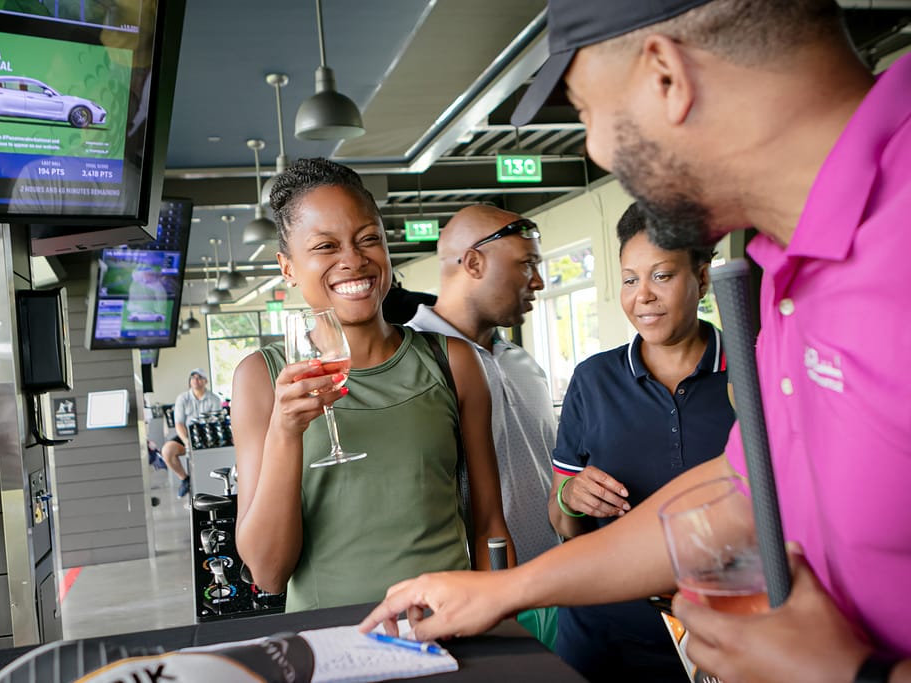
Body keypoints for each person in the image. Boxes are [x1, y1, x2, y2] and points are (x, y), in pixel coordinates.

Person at [360, 1, 911, 681]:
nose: (592, 150)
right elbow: (745, 488)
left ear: (665, 78)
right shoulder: (783, 258)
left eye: (590, 114)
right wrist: (505, 589)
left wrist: (853, 675)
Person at [231, 157, 514, 613]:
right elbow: (267, 571)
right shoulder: (261, 379)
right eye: (325, 246)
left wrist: (503, 628)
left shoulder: (452, 361)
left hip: (445, 632)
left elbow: (489, 527)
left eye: (369, 240)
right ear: (287, 267)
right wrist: (285, 431)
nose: (353, 260)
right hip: (329, 647)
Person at [548, 202, 733, 682]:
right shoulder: (593, 380)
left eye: (662, 276)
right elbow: (563, 520)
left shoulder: (750, 374)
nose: (643, 296)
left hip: (723, 632)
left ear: (703, 278)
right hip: (602, 631)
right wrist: (571, 496)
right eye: (630, 280)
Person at [407, 204, 559, 565]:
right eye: (526, 264)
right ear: (473, 264)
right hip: (469, 593)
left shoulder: (524, 364)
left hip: (553, 585)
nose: (537, 281)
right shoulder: (411, 363)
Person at [162, 367, 222, 498]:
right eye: (193, 377)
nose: (196, 380)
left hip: (207, 436)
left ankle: (209, 486)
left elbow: (215, 423)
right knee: (168, 450)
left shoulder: (214, 399)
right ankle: (185, 480)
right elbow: (179, 424)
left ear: (205, 381)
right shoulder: (182, 398)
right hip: (187, 435)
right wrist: (186, 442)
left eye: (199, 377)